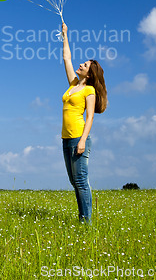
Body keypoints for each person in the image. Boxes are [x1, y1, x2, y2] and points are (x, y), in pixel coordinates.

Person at [61, 21, 107, 224]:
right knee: (74, 181)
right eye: (83, 63)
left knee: (81, 180)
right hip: (66, 138)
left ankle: (86, 222)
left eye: (85, 65)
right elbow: (66, 58)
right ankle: (82, 218)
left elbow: (90, 117)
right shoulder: (73, 84)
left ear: (90, 73)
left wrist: (82, 140)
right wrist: (65, 35)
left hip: (79, 137)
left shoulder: (89, 91)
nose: (81, 64)